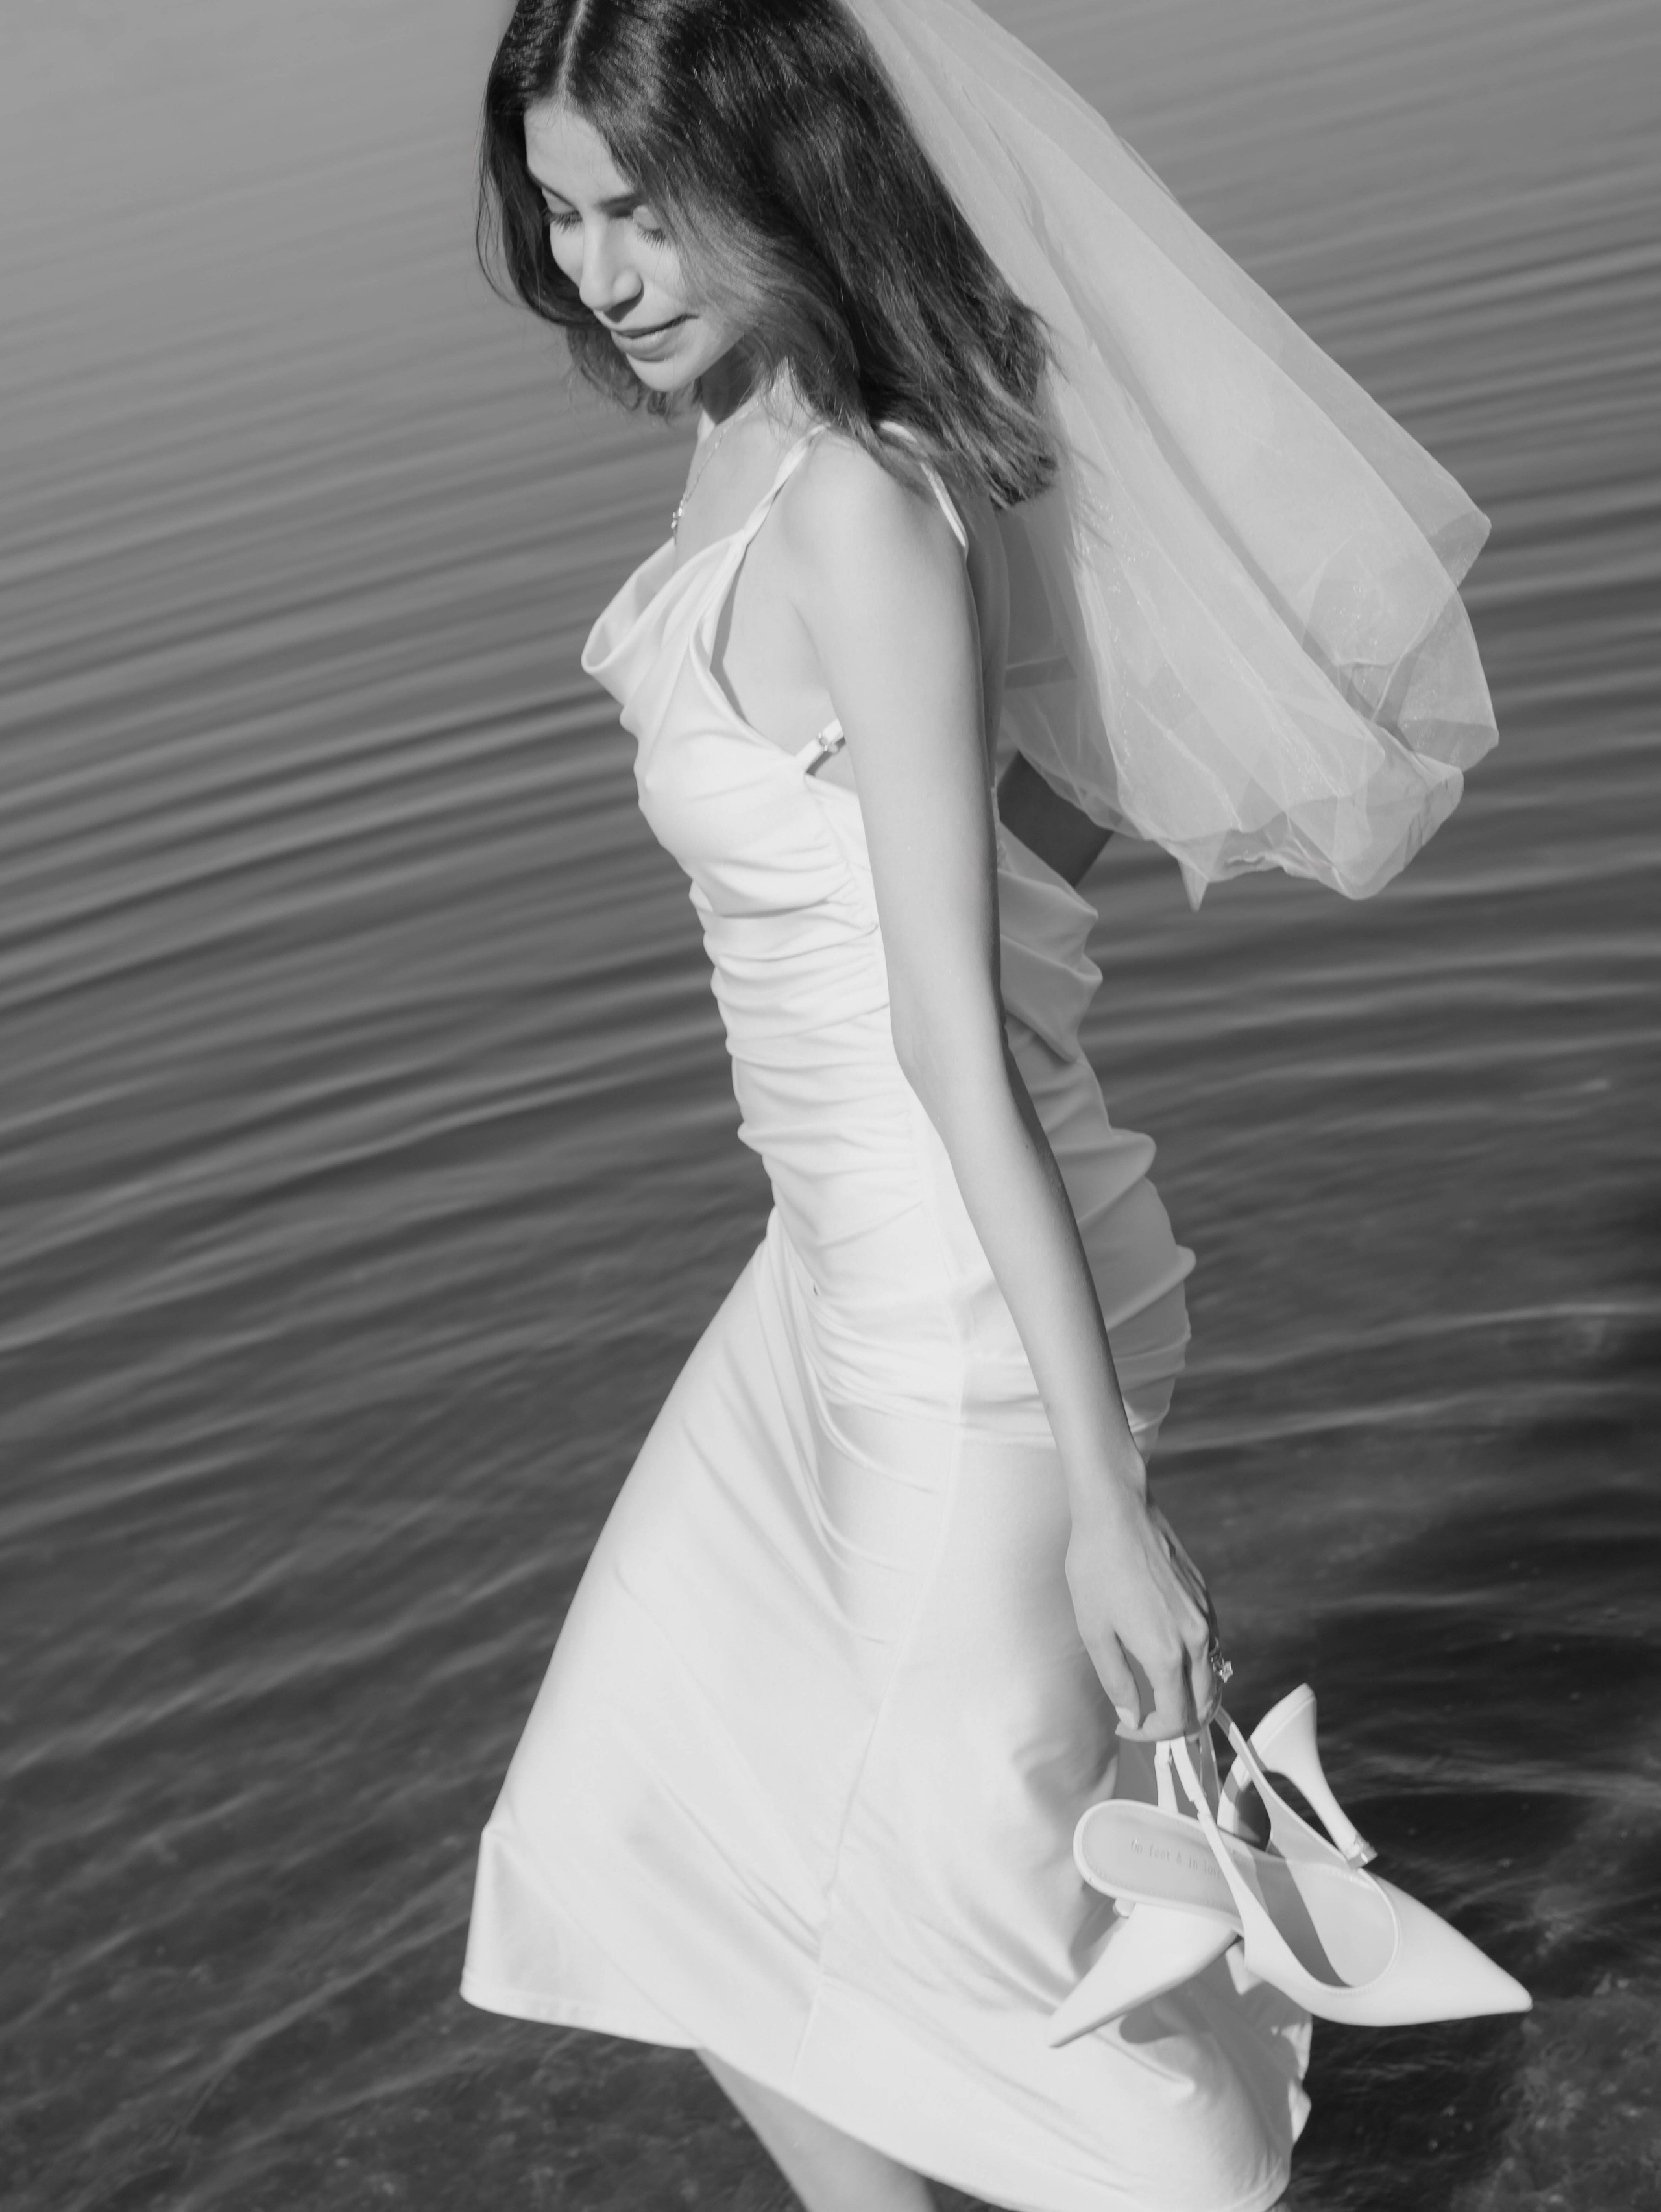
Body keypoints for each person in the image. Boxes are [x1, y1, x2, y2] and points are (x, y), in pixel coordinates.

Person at [461, 3, 1496, 2207]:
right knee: (626, 1812)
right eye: (561, 218)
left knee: (982, 1922)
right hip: (827, 1264)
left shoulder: (856, 503)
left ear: (774, 172)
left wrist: (1111, 1501)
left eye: (643, 212)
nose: (602, 272)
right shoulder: (762, 440)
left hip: (956, 1310)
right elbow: (1024, 840)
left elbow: (953, 1031)